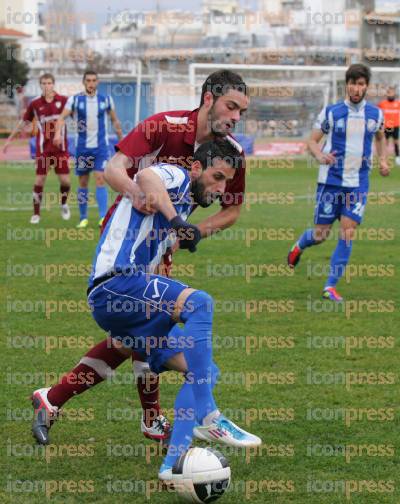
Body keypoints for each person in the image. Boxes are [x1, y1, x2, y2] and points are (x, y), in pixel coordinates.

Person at [31, 70, 250, 444]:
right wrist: (140, 196)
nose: (236, 118)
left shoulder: (230, 154)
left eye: (243, 111)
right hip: (127, 241)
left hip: (162, 243)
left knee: (132, 337)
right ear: (208, 99)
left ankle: (53, 398)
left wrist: (190, 232)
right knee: (156, 326)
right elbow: (113, 168)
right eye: (231, 106)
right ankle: (163, 417)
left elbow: (231, 210)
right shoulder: (163, 126)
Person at [32, 140, 262, 483]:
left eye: (225, 182)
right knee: (201, 303)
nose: (220, 189)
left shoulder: (185, 198)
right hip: (114, 284)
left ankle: (171, 467)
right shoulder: (178, 176)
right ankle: (208, 416)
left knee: (203, 369)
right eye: (217, 177)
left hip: (132, 293)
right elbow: (147, 176)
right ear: (197, 168)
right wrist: (177, 221)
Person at [287, 64, 390, 301]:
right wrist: (319, 154)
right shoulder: (331, 112)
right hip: (330, 182)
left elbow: (381, 137)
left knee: (347, 231)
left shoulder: (376, 114)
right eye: (353, 83)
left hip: (358, 184)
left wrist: (383, 161)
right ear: (347, 85)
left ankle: (330, 286)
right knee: (321, 234)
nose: (356, 88)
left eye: (361, 84)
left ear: (366, 86)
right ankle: (299, 245)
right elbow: (312, 141)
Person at [54, 70, 123, 228]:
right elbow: (60, 118)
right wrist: (57, 133)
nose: (91, 83)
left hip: (100, 148)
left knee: (100, 179)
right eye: (88, 80)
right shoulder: (75, 100)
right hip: (82, 148)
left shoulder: (105, 100)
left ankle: (102, 217)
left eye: (94, 80)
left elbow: (115, 121)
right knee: (83, 182)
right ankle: (83, 217)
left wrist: (122, 143)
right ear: (84, 82)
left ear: (97, 82)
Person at [3, 73, 71, 224]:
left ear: (54, 84)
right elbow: (23, 123)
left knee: (66, 182)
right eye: (44, 83)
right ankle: (36, 214)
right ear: (40, 85)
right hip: (43, 150)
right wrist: (9, 141)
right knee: (40, 180)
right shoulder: (35, 104)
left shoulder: (64, 101)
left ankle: (64, 204)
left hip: (61, 149)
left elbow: (76, 116)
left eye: (49, 83)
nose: (47, 86)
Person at [378, 86, 400, 166]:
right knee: (385, 143)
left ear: (394, 94)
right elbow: (378, 114)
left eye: (392, 93)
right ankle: (385, 159)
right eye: (389, 93)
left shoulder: (398, 104)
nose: (390, 94)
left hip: (396, 126)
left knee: (396, 142)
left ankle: (398, 158)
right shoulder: (382, 104)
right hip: (386, 126)